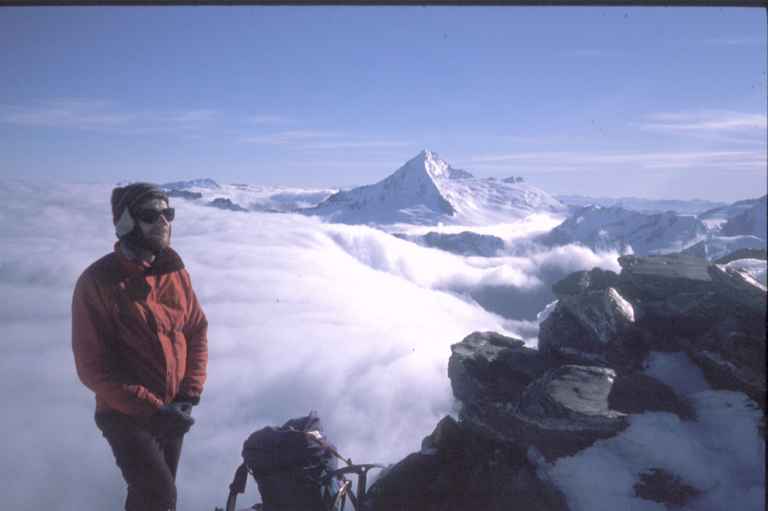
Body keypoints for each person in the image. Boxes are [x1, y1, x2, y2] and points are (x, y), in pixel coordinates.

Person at [71, 182, 208, 511]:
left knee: (158, 495)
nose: (162, 222)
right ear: (126, 223)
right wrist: (152, 409)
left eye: (167, 213)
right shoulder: (98, 281)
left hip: (173, 409)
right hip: (123, 413)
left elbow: (195, 329)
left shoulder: (174, 272)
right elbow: (92, 368)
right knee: (157, 493)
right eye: (150, 215)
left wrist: (188, 394)